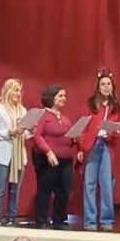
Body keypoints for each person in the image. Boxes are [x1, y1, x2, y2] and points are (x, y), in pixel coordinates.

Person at [79, 67, 120, 231]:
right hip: (92, 144)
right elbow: (83, 127)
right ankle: (90, 221)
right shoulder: (91, 104)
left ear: (112, 86)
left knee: (107, 184)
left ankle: (106, 221)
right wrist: (81, 148)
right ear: (98, 87)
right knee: (89, 183)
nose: (106, 87)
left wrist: (115, 132)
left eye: (108, 84)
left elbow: (118, 127)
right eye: (103, 84)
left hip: (107, 145)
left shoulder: (116, 106)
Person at [33, 85, 76, 229]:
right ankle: (41, 220)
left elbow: (68, 138)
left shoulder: (64, 118)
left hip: (65, 159)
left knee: (64, 191)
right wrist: (48, 152)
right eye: (60, 96)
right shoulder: (43, 115)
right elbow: (37, 136)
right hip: (48, 159)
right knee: (45, 190)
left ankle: (58, 220)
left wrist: (75, 139)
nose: (64, 98)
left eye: (64, 96)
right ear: (52, 98)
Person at [0, 78, 29, 226]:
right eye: (16, 90)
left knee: (14, 190)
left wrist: (29, 131)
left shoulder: (23, 110)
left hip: (19, 155)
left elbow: (25, 134)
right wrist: (10, 132)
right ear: (9, 91)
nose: (19, 93)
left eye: (20, 91)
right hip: (3, 155)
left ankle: (11, 219)